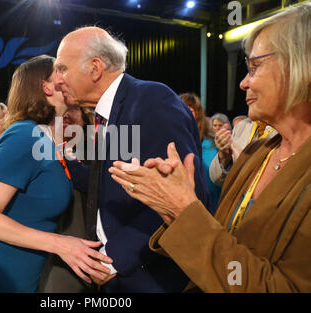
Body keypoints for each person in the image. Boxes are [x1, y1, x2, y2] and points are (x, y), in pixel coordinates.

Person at [109, 2, 311, 292]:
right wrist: (174, 211)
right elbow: (223, 242)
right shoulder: (257, 152)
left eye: (254, 68)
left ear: (301, 66)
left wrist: (185, 210)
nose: (243, 83)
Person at [54, 27, 212, 292]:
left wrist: (113, 261)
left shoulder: (151, 101)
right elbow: (105, 182)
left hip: (146, 278)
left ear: (95, 68)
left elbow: (181, 198)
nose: (57, 80)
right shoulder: (109, 111)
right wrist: (61, 156)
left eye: (62, 69)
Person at [0, 55, 112, 293]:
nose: (69, 76)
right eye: (61, 71)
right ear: (45, 86)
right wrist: (61, 245)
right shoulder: (23, 135)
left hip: (23, 273)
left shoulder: (48, 139)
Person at [39, 106, 95, 293]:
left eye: (71, 109)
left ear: (85, 118)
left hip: (81, 246)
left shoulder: (95, 146)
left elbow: (92, 183)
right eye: (60, 111)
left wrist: (67, 157)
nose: (65, 115)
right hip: (43, 246)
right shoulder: (42, 149)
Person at [180, 93, 221, 210]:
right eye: (181, 107)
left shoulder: (212, 143)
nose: (184, 112)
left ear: (198, 114)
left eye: (189, 109)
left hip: (213, 207)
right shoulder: (171, 142)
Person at [210, 117, 277, 186]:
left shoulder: (283, 131)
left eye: (219, 125)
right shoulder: (242, 126)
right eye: (215, 125)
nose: (248, 105)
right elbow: (216, 179)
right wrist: (224, 157)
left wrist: (244, 162)